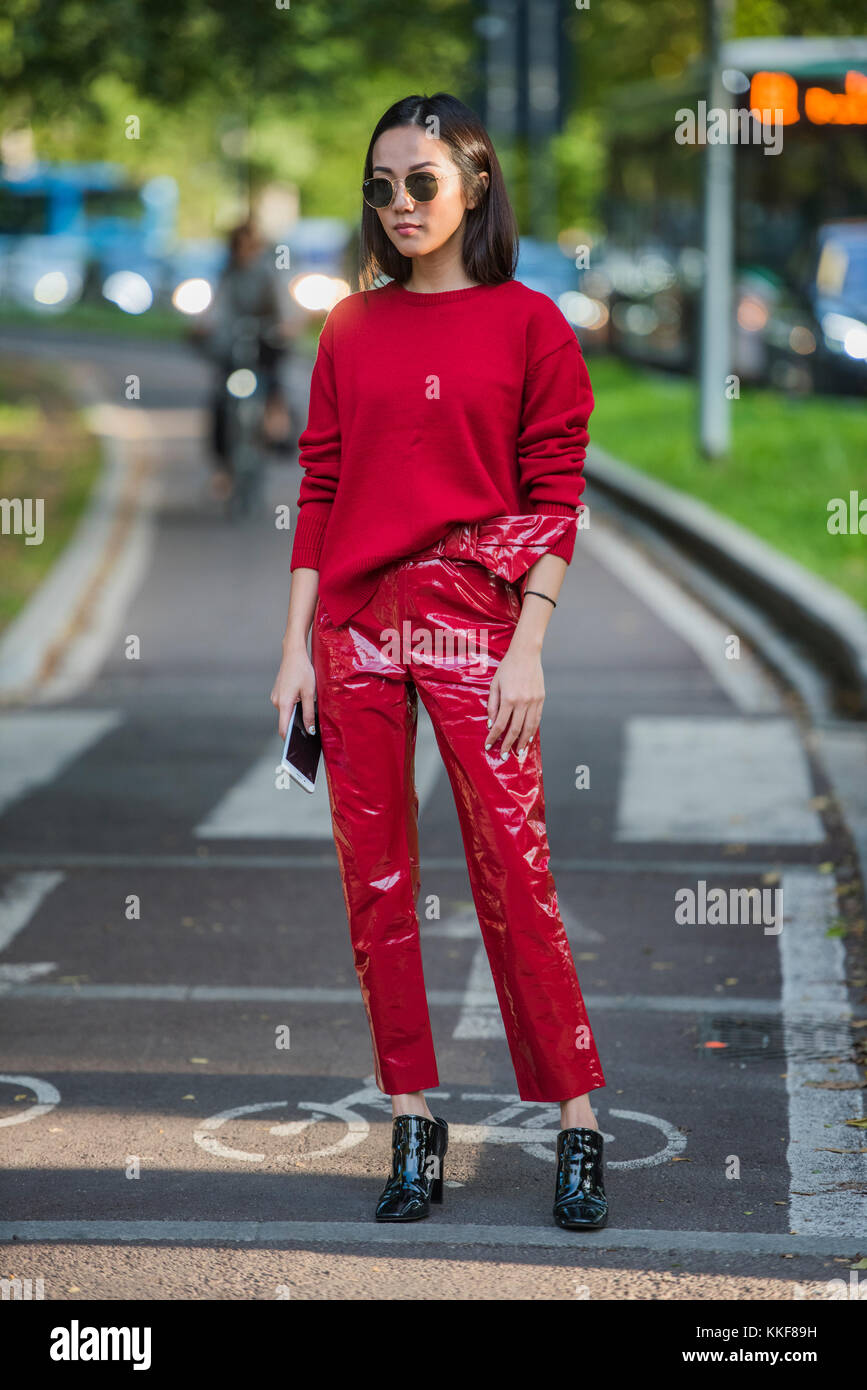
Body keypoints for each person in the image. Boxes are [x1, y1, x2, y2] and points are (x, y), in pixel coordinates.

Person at [270, 92, 608, 1230]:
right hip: (355, 628)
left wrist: (530, 648)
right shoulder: (350, 328)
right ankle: (411, 1116)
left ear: (474, 183)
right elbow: (319, 486)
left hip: (477, 623)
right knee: (376, 883)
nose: (399, 204)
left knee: (516, 866)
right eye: (381, 186)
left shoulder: (531, 326)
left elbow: (557, 492)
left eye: (421, 181)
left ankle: (578, 1119)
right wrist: (296, 650)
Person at [198, 220, 294, 502]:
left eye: (249, 246)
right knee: (220, 398)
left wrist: (285, 326)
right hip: (234, 346)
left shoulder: (269, 274)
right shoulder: (227, 274)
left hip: (265, 344)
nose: (244, 252)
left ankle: (277, 426)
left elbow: (283, 307)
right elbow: (215, 307)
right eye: (238, 246)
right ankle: (225, 463)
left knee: (274, 382)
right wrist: (205, 325)